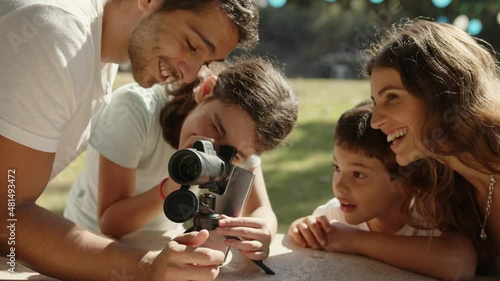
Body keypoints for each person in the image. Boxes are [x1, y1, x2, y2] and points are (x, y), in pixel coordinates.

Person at [0, 0, 259, 280]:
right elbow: (6, 216)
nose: (191, 75)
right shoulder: (57, 36)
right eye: (192, 44)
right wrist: (147, 268)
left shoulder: (101, 54)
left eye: (206, 62)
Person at [63, 57, 298, 263]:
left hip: (159, 244)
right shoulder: (136, 108)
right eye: (215, 126)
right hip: (88, 243)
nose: (213, 148)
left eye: (234, 155)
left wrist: (261, 233)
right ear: (206, 90)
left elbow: (261, 208)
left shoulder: (242, 138)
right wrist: (173, 184)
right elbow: (111, 224)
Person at [365, 18, 500, 274]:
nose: (375, 121)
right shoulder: (441, 185)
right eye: (375, 102)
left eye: (392, 97)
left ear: (442, 92)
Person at [288, 100, 477, 280]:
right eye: (337, 168)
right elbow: (301, 234)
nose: (339, 186)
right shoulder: (335, 216)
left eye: (358, 174)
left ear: (403, 182)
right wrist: (301, 228)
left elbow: (459, 264)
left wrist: (355, 240)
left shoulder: (429, 219)